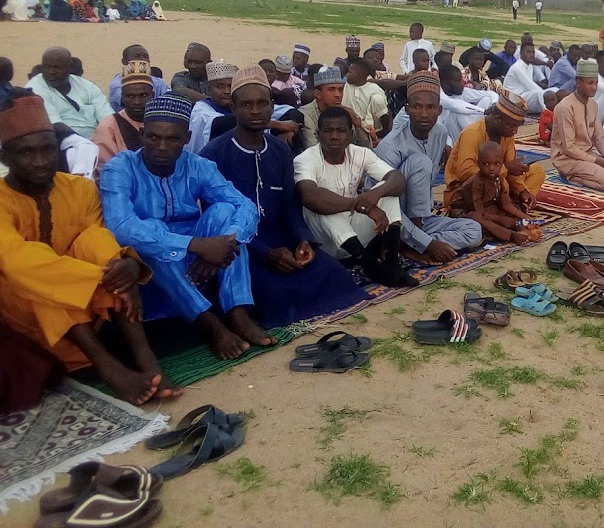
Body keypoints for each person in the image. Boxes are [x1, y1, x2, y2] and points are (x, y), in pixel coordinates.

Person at [0, 94, 180, 404]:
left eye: (48, 149)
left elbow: (98, 238)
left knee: (96, 242)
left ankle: (147, 360)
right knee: (43, 279)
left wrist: (124, 264)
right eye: (27, 153)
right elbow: (17, 262)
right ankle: (110, 369)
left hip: (89, 301)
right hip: (24, 308)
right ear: (6, 157)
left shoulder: (79, 187)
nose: (41, 161)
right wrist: (110, 275)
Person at [100, 94, 273, 361]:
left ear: (186, 137)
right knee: (152, 231)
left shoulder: (198, 165)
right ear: (142, 133)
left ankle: (237, 312)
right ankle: (209, 323)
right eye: (153, 137)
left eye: (173, 139)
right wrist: (197, 246)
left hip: (201, 251)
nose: (162, 147)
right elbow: (121, 226)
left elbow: (244, 205)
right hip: (152, 259)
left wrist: (225, 245)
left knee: (225, 211)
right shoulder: (119, 168)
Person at [201, 66, 366, 327]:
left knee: (333, 274)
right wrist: (266, 253)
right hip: (242, 247)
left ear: (271, 106)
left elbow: (290, 205)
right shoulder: (213, 154)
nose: (255, 111)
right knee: (274, 293)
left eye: (262, 103)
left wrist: (302, 241)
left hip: (281, 238)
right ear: (233, 107)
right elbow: (216, 221)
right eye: (246, 104)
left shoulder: (279, 150)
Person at [294, 106, 414, 288]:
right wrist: (364, 206)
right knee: (324, 206)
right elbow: (309, 196)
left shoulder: (361, 153)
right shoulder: (305, 159)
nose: (334, 136)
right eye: (328, 131)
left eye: (341, 130)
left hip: (354, 235)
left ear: (351, 134)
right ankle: (370, 265)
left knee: (387, 191)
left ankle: (392, 262)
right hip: (324, 241)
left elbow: (397, 179)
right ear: (318, 135)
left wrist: (375, 195)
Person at [374, 73, 484, 264]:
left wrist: (423, 238)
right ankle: (409, 243)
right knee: (420, 162)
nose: (424, 114)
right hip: (390, 219)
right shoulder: (389, 147)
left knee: (474, 231)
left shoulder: (439, 133)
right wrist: (429, 245)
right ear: (407, 109)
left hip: (421, 219)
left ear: (439, 110)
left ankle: (408, 245)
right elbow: (383, 205)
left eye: (430, 107)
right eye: (417, 107)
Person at [443, 90, 544, 209]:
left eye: (517, 126)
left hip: (495, 182)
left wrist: (522, 191)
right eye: (512, 126)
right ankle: (507, 206)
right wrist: (505, 169)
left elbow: (511, 169)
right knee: (502, 182)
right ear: (497, 119)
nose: (515, 131)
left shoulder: (507, 135)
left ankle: (519, 203)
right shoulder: (472, 134)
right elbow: (465, 172)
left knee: (537, 171)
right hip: (464, 191)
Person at [551, 59, 604, 190]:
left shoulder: (592, 104)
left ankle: (592, 172)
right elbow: (569, 148)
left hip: (589, 156)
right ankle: (572, 176)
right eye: (590, 83)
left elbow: (599, 137)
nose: (594, 87)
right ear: (578, 83)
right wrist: (599, 162)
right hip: (568, 159)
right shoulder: (565, 107)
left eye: (596, 83)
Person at [449, 142, 536, 244]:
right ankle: (511, 235)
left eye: (497, 164)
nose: (491, 168)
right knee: (479, 219)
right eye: (486, 164)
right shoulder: (475, 183)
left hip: (488, 209)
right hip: (466, 212)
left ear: (502, 164)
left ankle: (521, 229)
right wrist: (500, 219)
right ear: (478, 163)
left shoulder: (498, 179)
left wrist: (526, 217)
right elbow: (479, 212)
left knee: (512, 211)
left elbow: (506, 204)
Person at [27, 46, 111, 138]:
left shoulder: (87, 86)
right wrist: (84, 144)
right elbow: (55, 125)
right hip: (60, 143)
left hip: (97, 142)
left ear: (69, 68)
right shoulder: (34, 89)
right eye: (47, 67)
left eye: (57, 67)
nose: (51, 72)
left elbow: (108, 120)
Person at [93, 60, 154, 167]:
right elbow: (107, 170)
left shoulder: (161, 122)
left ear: (152, 95)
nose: (137, 102)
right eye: (130, 96)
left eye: (143, 95)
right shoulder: (108, 127)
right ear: (122, 97)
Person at [298, 66, 370, 151]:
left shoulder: (345, 113)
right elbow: (312, 149)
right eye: (331, 89)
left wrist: (358, 125)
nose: (338, 95)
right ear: (318, 94)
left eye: (340, 89)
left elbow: (366, 148)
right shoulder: (305, 114)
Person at [186, 62, 238, 153]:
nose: (227, 91)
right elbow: (220, 123)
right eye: (219, 87)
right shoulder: (201, 110)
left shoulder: (237, 108)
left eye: (231, 86)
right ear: (209, 90)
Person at [107, 44, 170, 111]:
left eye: (146, 56)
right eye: (137, 56)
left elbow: (169, 102)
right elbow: (130, 103)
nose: (143, 59)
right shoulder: (117, 84)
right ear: (124, 61)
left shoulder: (159, 82)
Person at [343, 60, 389, 140]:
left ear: (359, 75)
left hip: (373, 132)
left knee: (378, 99)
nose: (347, 75)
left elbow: (385, 116)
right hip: (349, 129)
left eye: (350, 72)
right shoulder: (345, 87)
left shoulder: (374, 90)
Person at [503, 41, 547, 113]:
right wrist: (546, 95)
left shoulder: (530, 66)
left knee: (554, 89)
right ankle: (547, 113)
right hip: (513, 100)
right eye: (528, 52)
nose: (532, 55)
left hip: (524, 96)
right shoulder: (517, 67)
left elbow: (530, 89)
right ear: (521, 53)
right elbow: (531, 86)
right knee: (539, 93)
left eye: (533, 52)